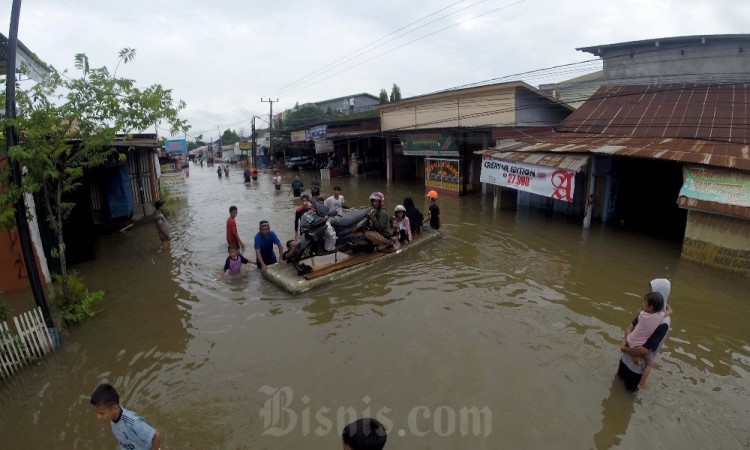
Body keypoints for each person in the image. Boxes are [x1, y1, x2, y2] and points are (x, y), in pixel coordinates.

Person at [618, 279, 673, 391]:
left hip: (636, 369)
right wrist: (627, 345)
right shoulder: (647, 312)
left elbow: (646, 350)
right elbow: (630, 327)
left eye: (652, 290)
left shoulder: (663, 322)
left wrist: (625, 347)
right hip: (625, 360)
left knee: (629, 393)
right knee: (617, 384)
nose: (648, 293)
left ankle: (641, 383)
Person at [90, 383, 161, 450]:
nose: (98, 416)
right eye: (97, 413)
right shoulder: (113, 417)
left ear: (114, 409)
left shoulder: (132, 422)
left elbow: (156, 436)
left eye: (101, 413)